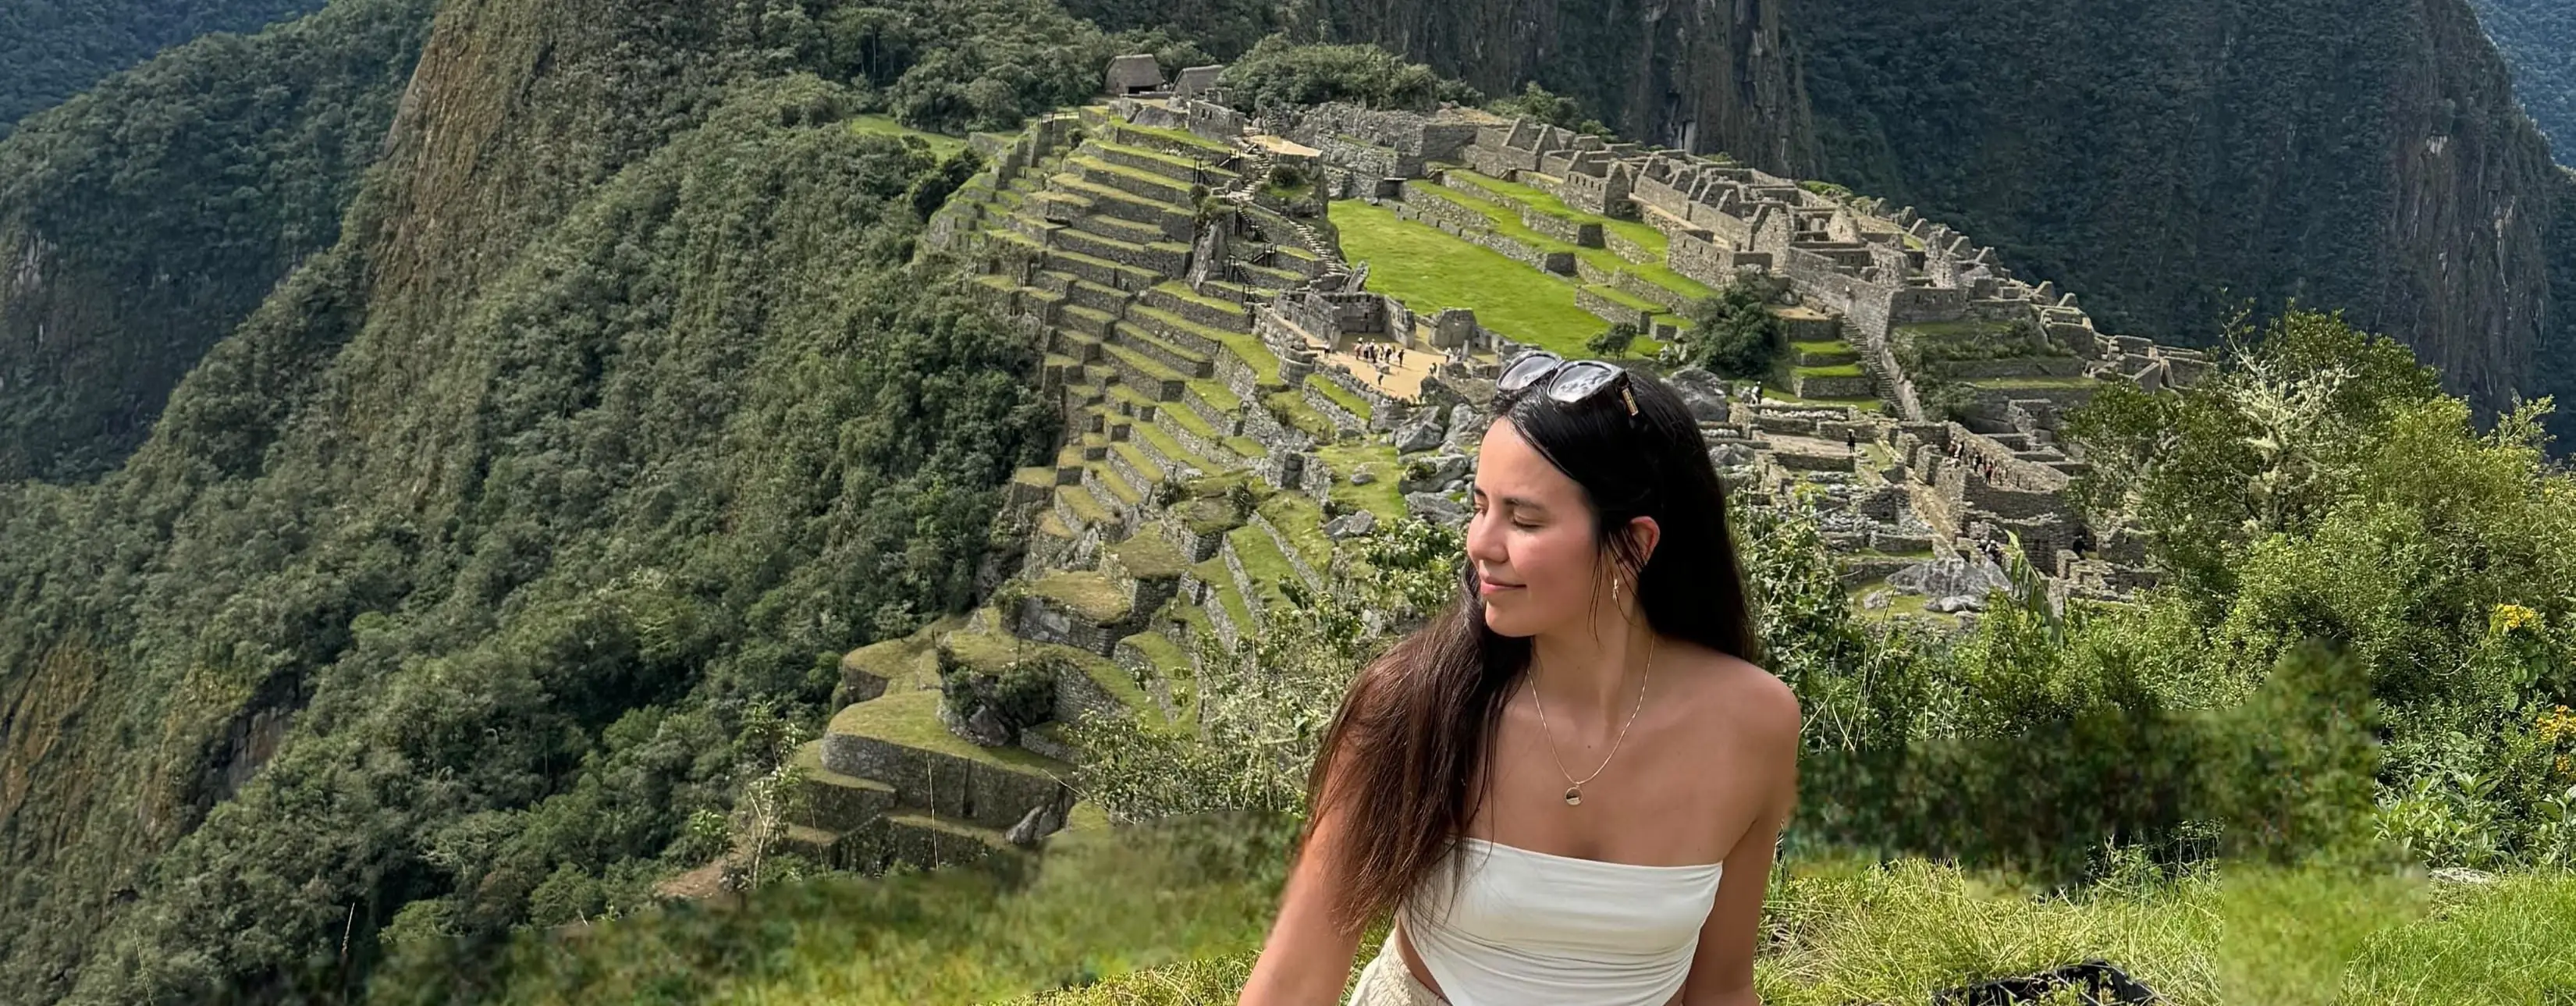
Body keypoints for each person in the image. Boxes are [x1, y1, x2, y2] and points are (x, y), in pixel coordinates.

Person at [1238, 352, 1800, 1006]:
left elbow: (1722, 987)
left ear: (1635, 545)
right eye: (1478, 507)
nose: (1481, 543)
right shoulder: (1412, 705)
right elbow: (1294, 982)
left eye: (1523, 519)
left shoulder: (1752, 722)